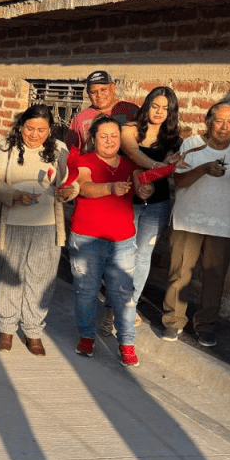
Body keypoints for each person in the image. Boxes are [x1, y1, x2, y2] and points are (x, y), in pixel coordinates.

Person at [161, 102, 230, 347]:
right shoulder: (191, 144)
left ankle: (206, 325)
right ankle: (173, 322)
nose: (224, 127)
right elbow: (179, 181)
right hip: (188, 220)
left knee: (215, 276)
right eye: (219, 121)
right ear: (208, 121)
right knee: (180, 274)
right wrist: (204, 169)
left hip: (223, 222)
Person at [0, 105, 76, 357]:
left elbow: (71, 181)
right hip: (13, 224)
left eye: (41, 130)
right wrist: (14, 195)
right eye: (29, 128)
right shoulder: (6, 146)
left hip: (47, 226)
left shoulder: (59, 149)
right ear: (21, 126)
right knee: (9, 277)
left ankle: (33, 329)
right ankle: (6, 326)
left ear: (50, 130)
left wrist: (70, 191)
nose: (34, 135)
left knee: (41, 278)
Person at [69, 115, 154, 367]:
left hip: (122, 240)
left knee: (124, 294)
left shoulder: (130, 164)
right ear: (94, 138)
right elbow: (83, 186)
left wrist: (145, 190)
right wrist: (109, 188)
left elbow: (141, 188)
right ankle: (86, 336)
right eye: (103, 136)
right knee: (86, 291)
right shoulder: (84, 162)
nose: (108, 141)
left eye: (114, 136)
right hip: (87, 238)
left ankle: (127, 343)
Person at [117, 87, 183, 328]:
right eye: (155, 106)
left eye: (166, 108)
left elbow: (173, 168)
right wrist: (160, 167)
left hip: (158, 202)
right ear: (147, 106)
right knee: (124, 252)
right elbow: (134, 155)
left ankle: (130, 304)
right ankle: (116, 300)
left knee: (143, 256)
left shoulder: (174, 139)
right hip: (128, 199)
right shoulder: (129, 130)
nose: (159, 112)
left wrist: (161, 173)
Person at [65, 70, 139, 153]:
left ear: (113, 87)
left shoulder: (131, 110)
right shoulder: (80, 119)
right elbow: (72, 152)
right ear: (88, 93)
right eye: (93, 92)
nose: (99, 95)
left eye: (103, 90)